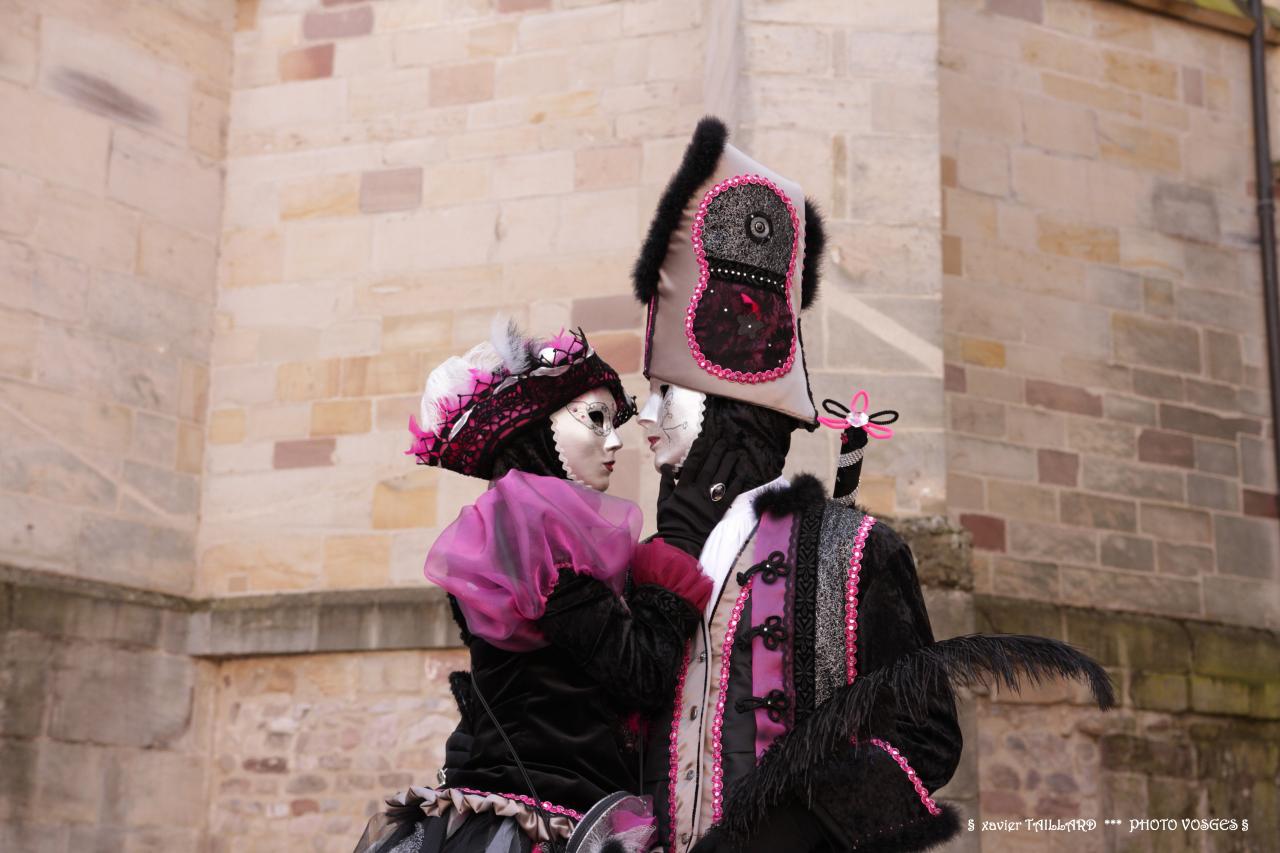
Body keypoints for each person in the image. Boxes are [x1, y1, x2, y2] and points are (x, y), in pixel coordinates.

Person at [631, 118, 1115, 853]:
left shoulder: (851, 553)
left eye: (669, 393)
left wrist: (786, 831)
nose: (648, 419)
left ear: (731, 410)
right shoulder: (650, 565)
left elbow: (924, 737)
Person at [355, 322, 712, 853]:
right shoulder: (536, 535)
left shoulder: (513, 532)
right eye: (595, 420)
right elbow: (640, 673)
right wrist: (671, 570)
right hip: (538, 816)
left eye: (615, 422)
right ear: (536, 433)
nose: (614, 441)